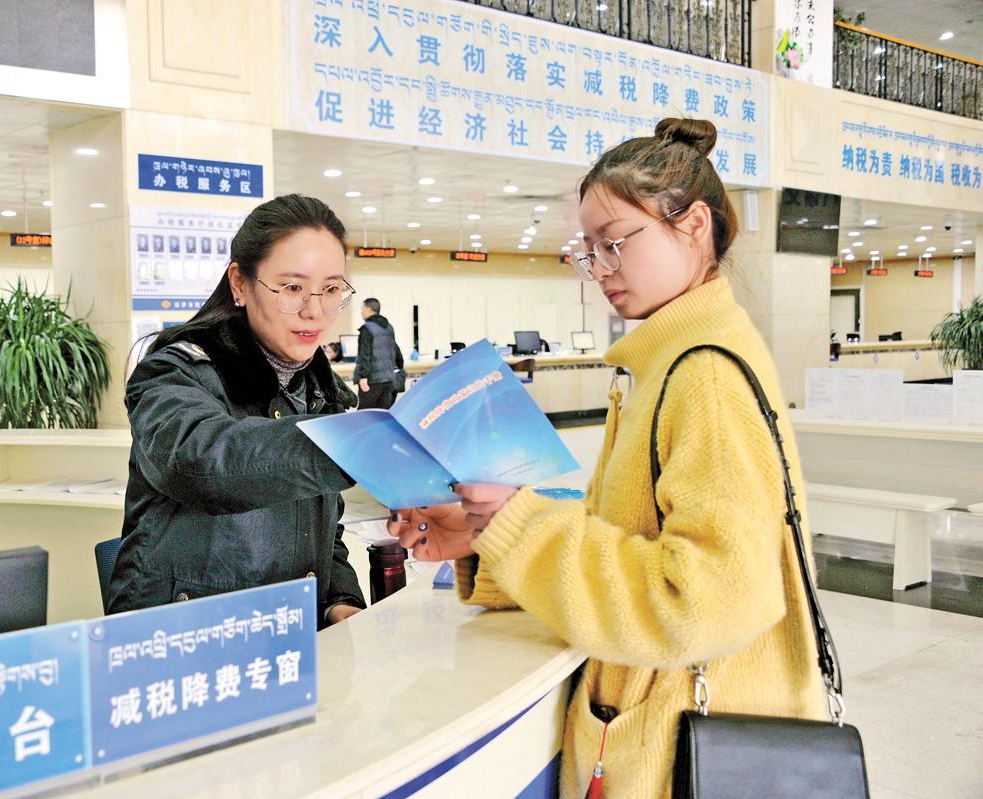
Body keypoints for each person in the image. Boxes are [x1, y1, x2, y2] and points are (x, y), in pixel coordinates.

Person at [389, 119, 827, 798]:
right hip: (667, 716)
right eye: (588, 251)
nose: (600, 270)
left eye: (616, 243)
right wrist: (490, 536)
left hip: (681, 744)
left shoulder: (703, 373)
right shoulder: (667, 362)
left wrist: (522, 527)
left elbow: (710, 600)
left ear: (695, 226)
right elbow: (628, 540)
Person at [109, 194, 366, 628]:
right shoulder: (174, 373)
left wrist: (339, 600)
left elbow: (323, 532)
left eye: (331, 289)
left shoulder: (320, 391)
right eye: (292, 288)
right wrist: (350, 442)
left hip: (285, 635)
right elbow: (202, 463)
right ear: (240, 284)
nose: (314, 310)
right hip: (182, 635)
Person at [353, 297, 402, 409]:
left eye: (362, 309)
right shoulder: (389, 327)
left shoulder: (366, 329)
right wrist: (400, 367)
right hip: (388, 379)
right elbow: (396, 350)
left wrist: (363, 377)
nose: (361, 312)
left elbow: (364, 355)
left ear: (369, 309)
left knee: (365, 414)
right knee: (382, 414)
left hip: (372, 380)